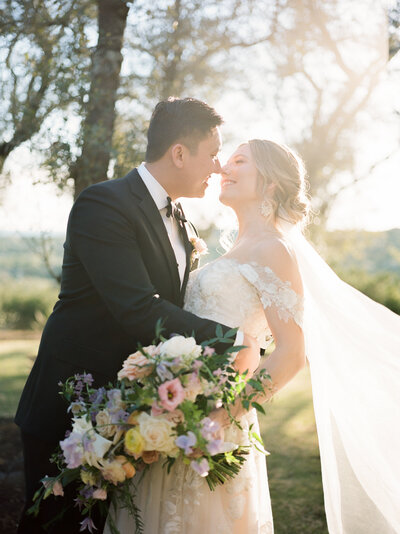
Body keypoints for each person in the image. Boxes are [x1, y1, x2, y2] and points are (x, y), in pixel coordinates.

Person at [107, 139, 400, 534]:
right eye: (225, 161)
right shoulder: (230, 251)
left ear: (271, 184)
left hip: (218, 426)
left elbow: (291, 354)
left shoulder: (274, 250)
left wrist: (216, 419)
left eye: (239, 161)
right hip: (176, 413)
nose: (223, 168)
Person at [14, 97, 259, 534]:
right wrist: (235, 338)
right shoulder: (103, 205)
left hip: (135, 414)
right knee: (57, 527)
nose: (219, 166)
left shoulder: (184, 220)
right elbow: (138, 309)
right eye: (212, 153)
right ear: (179, 153)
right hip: (71, 406)